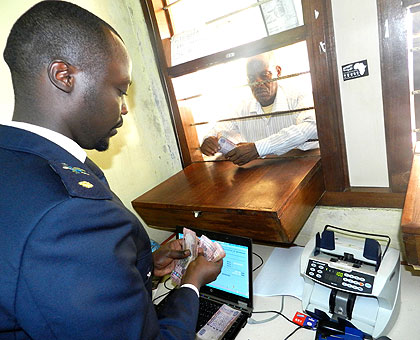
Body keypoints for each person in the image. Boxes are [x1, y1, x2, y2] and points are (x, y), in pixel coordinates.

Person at [0, 2, 223, 340]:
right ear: (64, 76)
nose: (123, 109)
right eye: (120, 90)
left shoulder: (13, 159)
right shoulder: (69, 215)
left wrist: (142, 263)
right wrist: (192, 282)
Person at [200, 53, 319, 166]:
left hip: (306, 169)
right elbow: (220, 128)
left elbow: (311, 127)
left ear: (278, 71)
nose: (258, 83)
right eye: (251, 78)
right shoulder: (242, 107)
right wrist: (209, 139)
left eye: (264, 75)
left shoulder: (299, 96)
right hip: (262, 177)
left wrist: (258, 148)